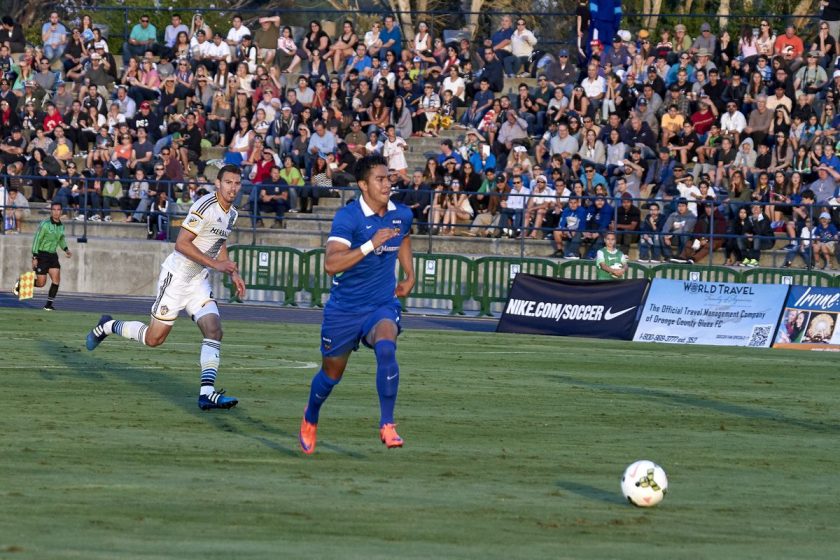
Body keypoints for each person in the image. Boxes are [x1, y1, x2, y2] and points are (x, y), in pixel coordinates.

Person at [84, 165, 247, 411]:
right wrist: (216, 264)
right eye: (228, 183)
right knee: (154, 339)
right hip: (176, 278)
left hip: (197, 282)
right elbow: (181, 244)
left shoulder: (232, 213)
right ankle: (107, 325)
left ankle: (207, 393)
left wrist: (232, 271)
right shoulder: (204, 206)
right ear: (218, 183)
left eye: (237, 183)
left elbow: (219, 241)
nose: (232, 188)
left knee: (214, 330)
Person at [298, 155, 415, 454]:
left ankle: (387, 424)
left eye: (388, 177)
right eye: (380, 179)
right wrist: (370, 244)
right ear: (363, 185)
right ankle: (311, 416)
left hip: (381, 305)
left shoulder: (401, 213)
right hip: (344, 310)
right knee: (330, 376)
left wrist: (410, 274)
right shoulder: (347, 218)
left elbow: (402, 237)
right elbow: (331, 265)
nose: (387, 183)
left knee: (387, 345)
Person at [13, 202, 72, 311]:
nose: (56, 212)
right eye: (54, 209)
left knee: (56, 280)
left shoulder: (61, 226)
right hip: (42, 255)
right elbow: (37, 240)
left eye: (58, 210)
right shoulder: (45, 224)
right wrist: (35, 257)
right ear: (51, 211)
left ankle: (48, 305)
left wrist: (66, 249)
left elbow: (61, 240)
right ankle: (22, 282)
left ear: (61, 211)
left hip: (53, 256)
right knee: (41, 283)